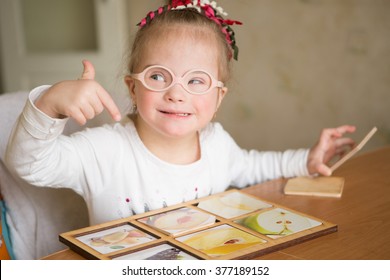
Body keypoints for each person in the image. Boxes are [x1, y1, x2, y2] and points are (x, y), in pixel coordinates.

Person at [5, 0, 355, 225]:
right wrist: (49, 104)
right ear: (132, 87)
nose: (176, 93)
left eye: (196, 81)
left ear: (218, 99)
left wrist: (307, 161)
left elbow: (255, 166)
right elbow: (28, 165)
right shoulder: (104, 151)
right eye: (158, 76)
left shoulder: (217, 145)